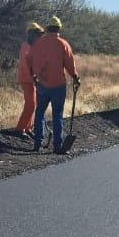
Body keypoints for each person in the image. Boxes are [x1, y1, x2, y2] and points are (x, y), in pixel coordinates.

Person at [30, 15, 80, 154]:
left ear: (47, 28)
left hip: (42, 85)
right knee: (57, 115)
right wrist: (75, 77)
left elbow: (33, 61)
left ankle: (37, 143)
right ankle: (57, 146)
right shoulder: (63, 44)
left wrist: (35, 76)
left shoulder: (38, 44)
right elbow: (69, 64)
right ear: (58, 29)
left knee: (39, 113)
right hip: (58, 86)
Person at [15, 22, 44, 137]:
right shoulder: (26, 47)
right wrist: (33, 78)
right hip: (27, 79)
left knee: (33, 103)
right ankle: (20, 129)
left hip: (31, 79)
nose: (39, 37)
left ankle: (27, 128)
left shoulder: (31, 46)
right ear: (31, 34)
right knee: (30, 104)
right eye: (37, 34)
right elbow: (27, 66)